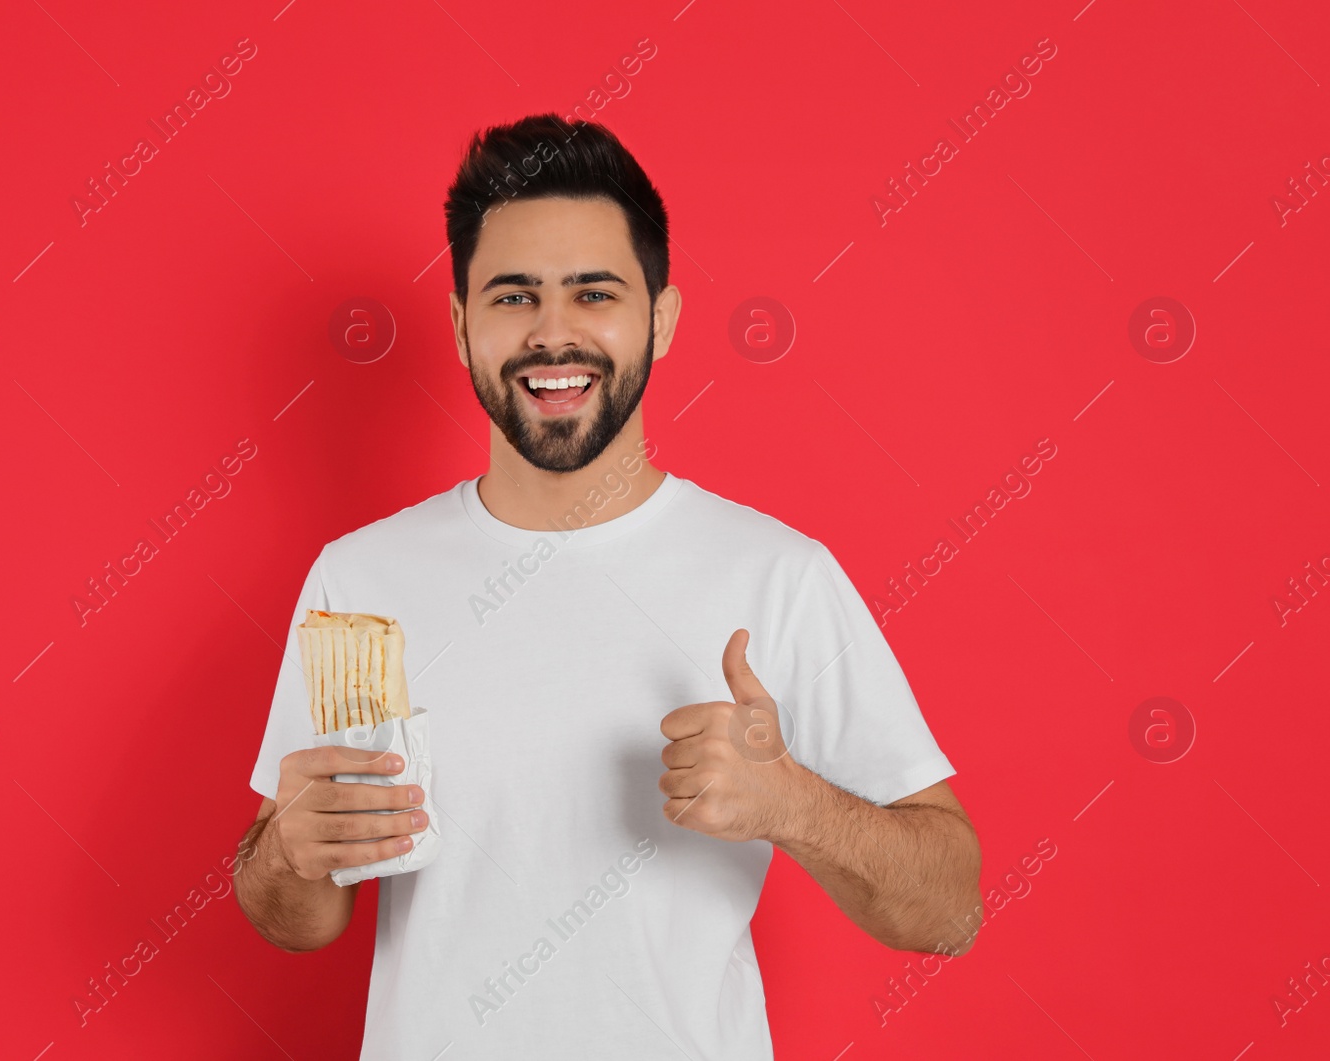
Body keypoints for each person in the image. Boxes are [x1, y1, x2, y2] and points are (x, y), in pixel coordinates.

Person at [234, 113, 982, 1060]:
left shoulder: (778, 575)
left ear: (660, 319)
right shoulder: (360, 580)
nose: (554, 334)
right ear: (462, 325)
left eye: (594, 292)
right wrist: (292, 854)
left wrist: (792, 802)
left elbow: (950, 909)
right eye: (513, 297)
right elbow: (296, 917)